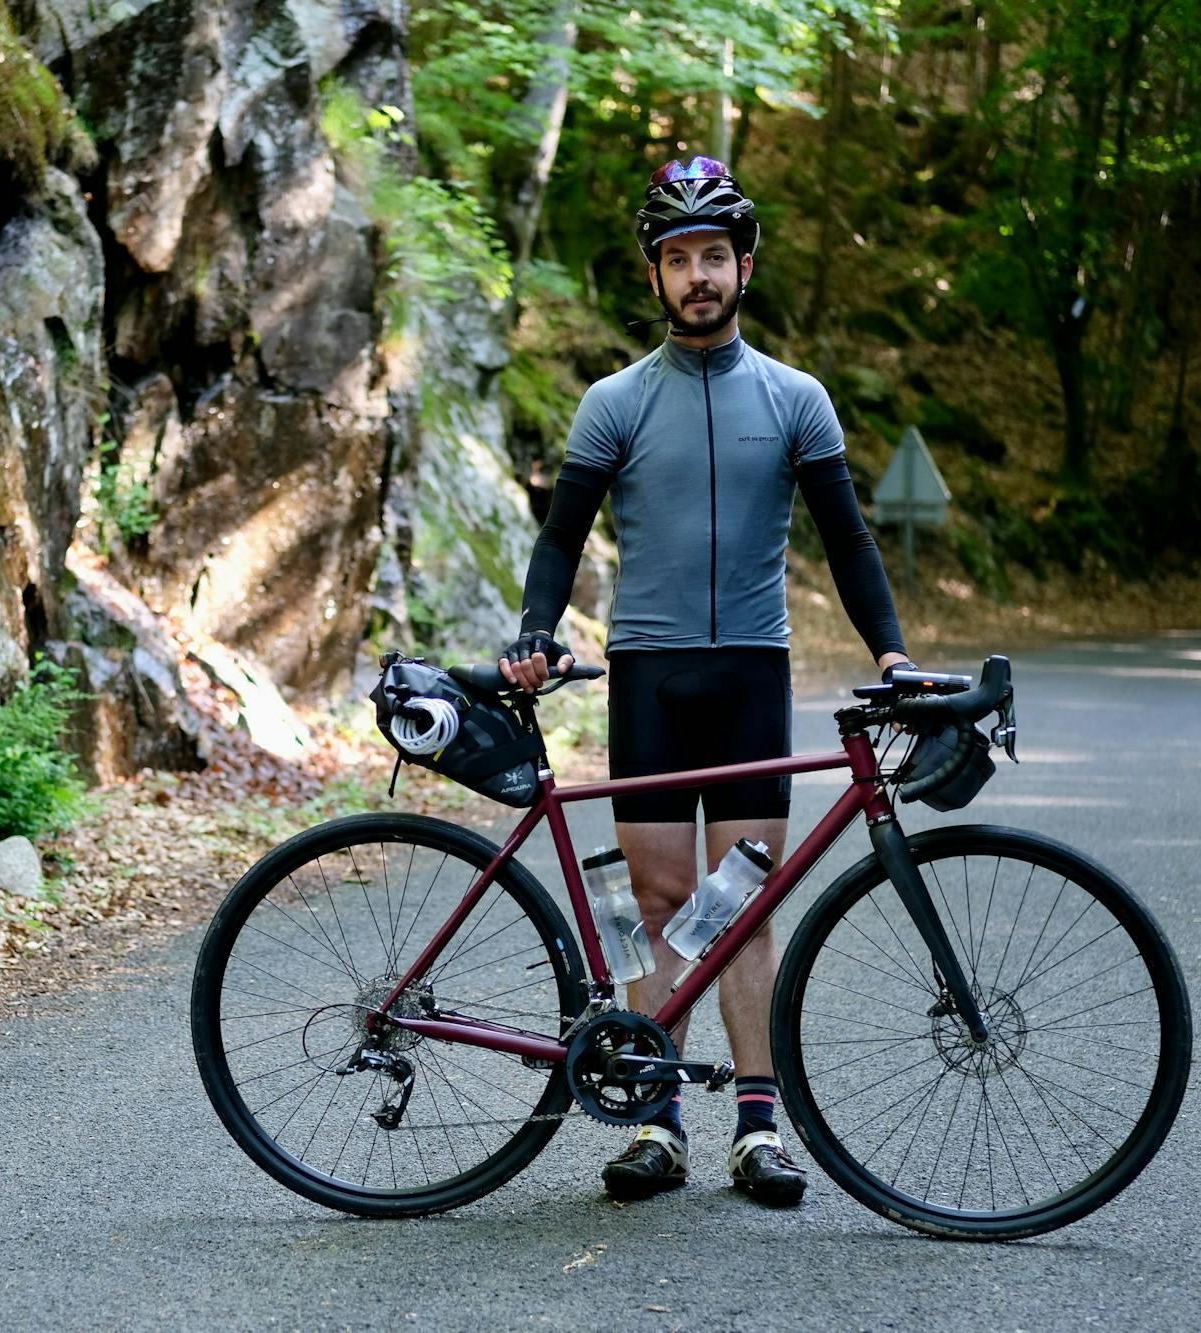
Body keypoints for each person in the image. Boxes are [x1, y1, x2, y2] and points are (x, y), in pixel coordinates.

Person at [496, 156, 913, 1207]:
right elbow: (559, 540)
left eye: (712, 257)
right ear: (654, 278)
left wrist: (891, 653)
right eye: (677, 259)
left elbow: (850, 542)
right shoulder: (613, 402)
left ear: (745, 267)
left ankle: (758, 1130)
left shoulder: (796, 400)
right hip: (648, 676)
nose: (696, 276)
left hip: (749, 678)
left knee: (745, 908)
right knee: (655, 898)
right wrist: (535, 630)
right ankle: (654, 1121)